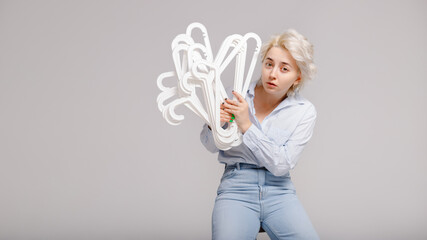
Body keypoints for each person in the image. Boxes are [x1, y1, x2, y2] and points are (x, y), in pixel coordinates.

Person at [200, 29, 320, 240]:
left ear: (298, 77)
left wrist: (247, 125)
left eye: (284, 68)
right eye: (269, 64)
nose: (273, 74)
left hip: (279, 191)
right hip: (236, 188)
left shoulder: (303, 111)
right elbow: (209, 145)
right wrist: (215, 124)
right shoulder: (234, 94)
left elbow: (282, 164)